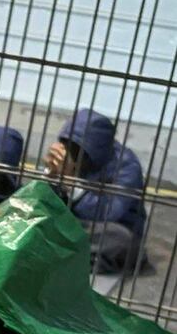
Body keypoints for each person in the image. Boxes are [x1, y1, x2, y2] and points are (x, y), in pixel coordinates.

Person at [43, 108, 146, 273]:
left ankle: (59, 253)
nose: (71, 151)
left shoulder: (127, 165)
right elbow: (47, 202)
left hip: (106, 230)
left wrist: (70, 183)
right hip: (73, 226)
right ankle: (64, 254)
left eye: (77, 148)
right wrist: (52, 175)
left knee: (123, 242)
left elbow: (109, 213)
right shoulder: (69, 155)